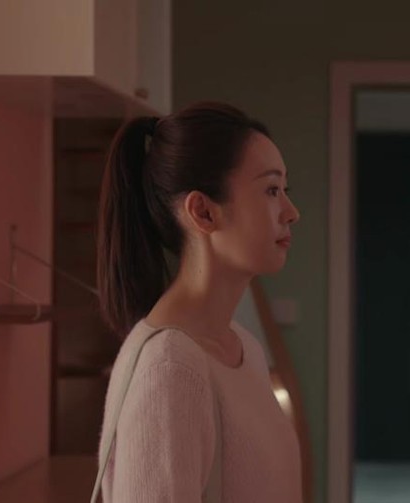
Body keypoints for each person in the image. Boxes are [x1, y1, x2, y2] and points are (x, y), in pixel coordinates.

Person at [92, 102, 302, 502]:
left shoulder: (245, 349)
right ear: (203, 212)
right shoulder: (170, 369)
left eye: (284, 191)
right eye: (271, 190)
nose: (291, 212)